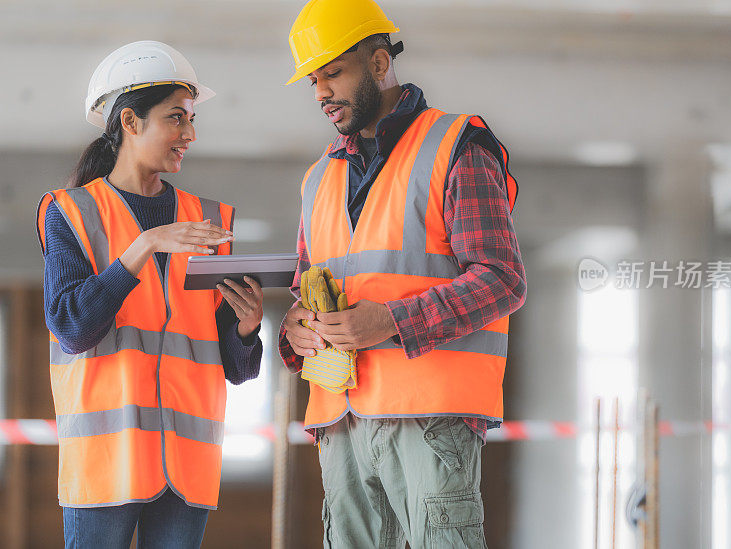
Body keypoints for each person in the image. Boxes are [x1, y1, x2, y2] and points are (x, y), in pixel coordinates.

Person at [279, 1, 527, 547]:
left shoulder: (457, 145)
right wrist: (295, 331)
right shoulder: (318, 178)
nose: (321, 92)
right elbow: (305, 292)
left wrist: (391, 321)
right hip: (340, 421)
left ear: (377, 62)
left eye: (333, 73)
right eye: (313, 80)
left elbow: (502, 279)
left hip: (430, 416)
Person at [34, 41, 264, 549]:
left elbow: (237, 367)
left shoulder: (211, 221)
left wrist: (247, 330)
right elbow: (72, 327)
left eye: (191, 119)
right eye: (176, 118)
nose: (190, 134)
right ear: (130, 123)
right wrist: (142, 247)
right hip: (107, 461)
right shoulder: (71, 213)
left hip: (188, 464)